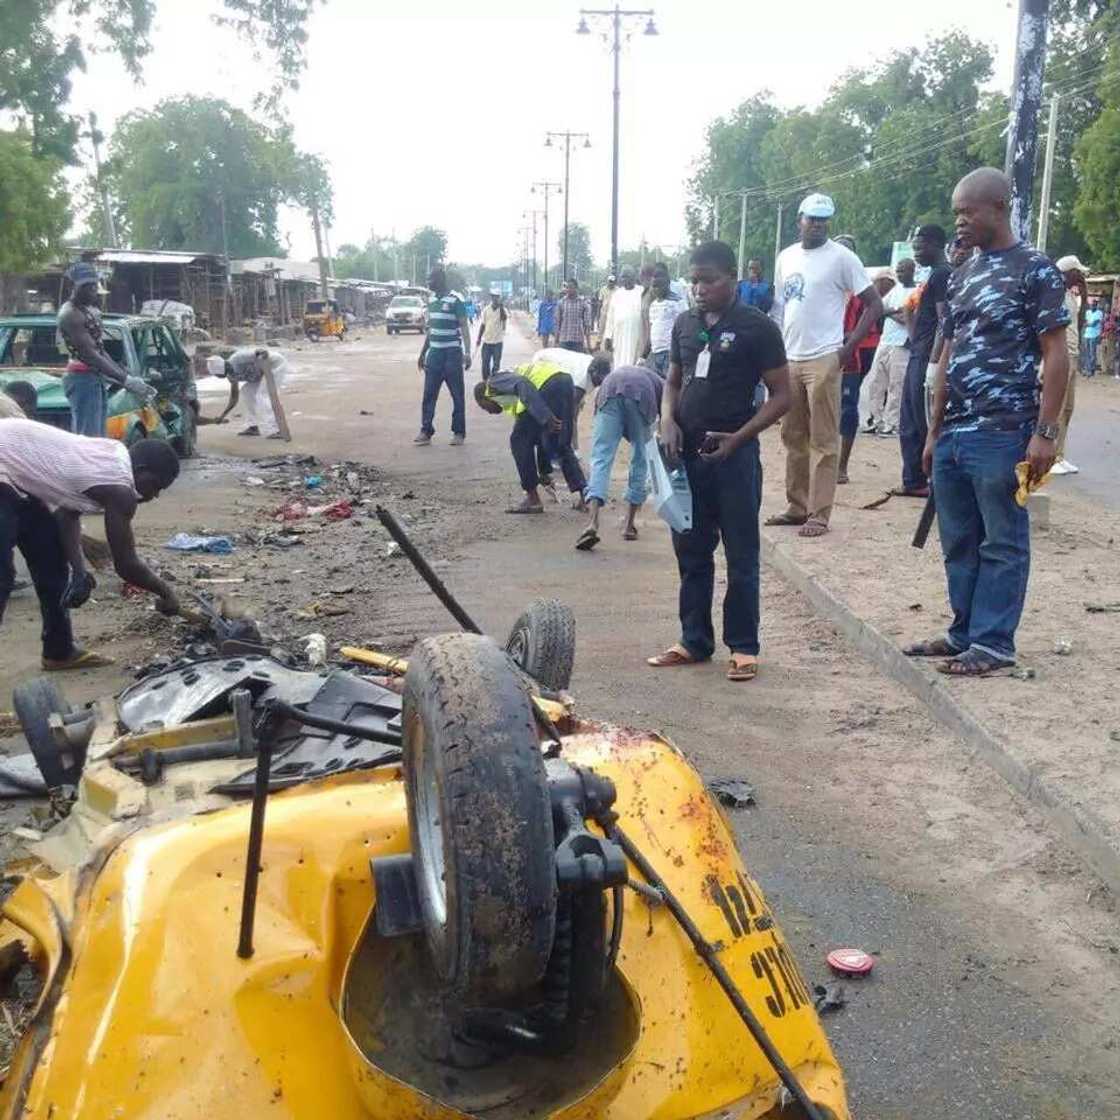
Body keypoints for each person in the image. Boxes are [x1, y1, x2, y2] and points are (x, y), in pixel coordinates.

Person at [907, 167, 1069, 677]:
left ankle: (994, 643)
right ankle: (964, 633)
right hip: (956, 428)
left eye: (967, 212)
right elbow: (949, 353)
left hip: (1005, 429)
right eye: (956, 212)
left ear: (998, 208)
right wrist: (934, 431)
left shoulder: (1035, 270)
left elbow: (1056, 352)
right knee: (958, 538)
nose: (959, 222)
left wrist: (1046, 433)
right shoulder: (962, 275)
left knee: (1002, 539)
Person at [649, 240, 791, 682]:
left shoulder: (758, 327)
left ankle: (744, 647)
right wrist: (667, 420)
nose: (699, 288)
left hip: (734, 456)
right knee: (691, 550)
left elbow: (783, 396)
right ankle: (694, 640)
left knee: (741, 552)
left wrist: (739, 438)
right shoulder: (685, 324)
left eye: (708, 280)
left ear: (732, 278)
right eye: (693, 279)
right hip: (686, 455)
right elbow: (672, 381)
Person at [0, 417, 182, 670]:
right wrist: (166, 593)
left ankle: (59, 651)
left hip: (17, 474)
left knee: (51, 561)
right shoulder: (120, 490)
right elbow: (126, 565)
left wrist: (79, 571)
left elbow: (67, 512)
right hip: (5, 465)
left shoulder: (115, 453)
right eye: (155, 485)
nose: (154, 495)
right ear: (139, 470)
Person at [767, 193, 881, 538]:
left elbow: (873, 305)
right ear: (799, 219)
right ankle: (796, 506)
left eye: (823, 219)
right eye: (811, 218)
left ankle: (819, 513)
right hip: (790, 357)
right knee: (792, 436)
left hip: (824, 357)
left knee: (823, 439)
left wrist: (847, 348)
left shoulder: (842, 258)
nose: (817, 224)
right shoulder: (785, 257)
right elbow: (780, 308)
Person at [473, 358, 587, 514]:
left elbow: (522, 384)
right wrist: (544, 472)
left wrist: (544, 415)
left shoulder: (493, 382)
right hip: (564, 381)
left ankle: (533, 499)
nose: (488, 412)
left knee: (518, 440)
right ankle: (585, 496)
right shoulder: (509, 395)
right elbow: (540, 439)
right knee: (559, 443)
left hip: (549, 384)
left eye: (483, 407)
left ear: (484, 397)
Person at [57, 261, 155, 437]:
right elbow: (91, 355)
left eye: (94, 286)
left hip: (93, 377)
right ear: (74, 287)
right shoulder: (70, 315)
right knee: (89, 439)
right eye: (87, 287)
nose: (93, 291)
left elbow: (100, 350)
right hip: (82, 379)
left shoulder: (87, 310)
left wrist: (125, 377)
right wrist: (125, 379)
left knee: (98, 436)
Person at [576, 363, 663, 551]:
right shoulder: (660, 384)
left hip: (609, 392)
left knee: (601, 457)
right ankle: (629, 525)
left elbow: (597, 412)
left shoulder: (620, 373)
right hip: (641, 395)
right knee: (641, 457)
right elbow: (666, 419)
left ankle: (592, 523)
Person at [894, 224, 951, 498]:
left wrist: (932, 361)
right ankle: (913, 479)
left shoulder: (942, 275)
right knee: (908, 419)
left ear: (936, 244)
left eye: (920, 246)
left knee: (920, 420)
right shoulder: (933, 275)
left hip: (927, 356)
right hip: (919, 351)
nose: (916, 252)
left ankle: (927, 480)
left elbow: (944, 321)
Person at [837, 252, 885, 485]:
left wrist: (852, 339)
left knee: (847, 408)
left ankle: (841, 466)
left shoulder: (861, 290)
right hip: (817, 354)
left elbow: (874, 312)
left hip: (849, 356)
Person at [415, 266, 472, 446]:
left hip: (452, 355)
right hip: (435, 355)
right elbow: (431, 330)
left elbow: (464, 327)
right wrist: (423, 353)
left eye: (430, 279)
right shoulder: (431, 301)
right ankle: (426, 430)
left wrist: (467, 352)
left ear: (440, 280)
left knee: (457, 395)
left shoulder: (455, 300)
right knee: (429, 394)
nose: (428, 283)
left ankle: (459, 432)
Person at [860, 259, 915, 437]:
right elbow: (880, 310)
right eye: (898, 271)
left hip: (903, 343)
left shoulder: (916, 292)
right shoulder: (895, 290)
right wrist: (897, 311)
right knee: (876, 382)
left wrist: (899, 313)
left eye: (902, 271)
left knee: (896, 385)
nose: (899, 274)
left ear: (912, 271)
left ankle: (892, 423)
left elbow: (909, 318)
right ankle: (874, 420)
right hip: (885, 341)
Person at [1051, 256, 1088, 476]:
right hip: (1062, 357)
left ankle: (1059, 455)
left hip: (1073, 355)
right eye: (1077, 272)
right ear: (1067, 272)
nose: (1081, 276)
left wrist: (1082, 294)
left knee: (1067, 409)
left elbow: (1078, 324)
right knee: (1056, 409)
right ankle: (1051, 456)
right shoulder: (1054, 295)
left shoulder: (1069, 296)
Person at [207, 347, 292, 438]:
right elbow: (234, 398)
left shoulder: (238, 358)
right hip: (261, 374)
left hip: (275, 365)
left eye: (217, 375)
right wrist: (222, 416)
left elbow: (260, 352)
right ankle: (253, 426)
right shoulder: (231, 375)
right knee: (246, 391)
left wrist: (261, 357)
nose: (218, 377)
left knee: (263, 394)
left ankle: (279, 429)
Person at [643, 266, 687, 377]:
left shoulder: (678, 303)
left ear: (667, 283)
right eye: (654, 286)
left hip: (670, 353)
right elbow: (651, 331)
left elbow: (685, 327)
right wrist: (643, 356)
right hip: (655, 353)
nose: (656, 289)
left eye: (659, 286)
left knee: (669, 385)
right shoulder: (653, 305)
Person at [604, 267, 644, 366]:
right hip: (619, 335)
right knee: (618, 361)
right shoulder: (617, 294)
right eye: (623, 277)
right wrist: (608, 336)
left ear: (634, 278)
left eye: (628, 277)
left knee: (634, 361)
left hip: (636, 334)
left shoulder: (642, 292)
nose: (625, 279)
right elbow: (610, 317)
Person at [475, 291, 507, 381]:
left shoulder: (502, 310)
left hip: (498, 342)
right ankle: (485, 382)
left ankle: (494, 382)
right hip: (487, 341)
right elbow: (483, 325)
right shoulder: (486, 310)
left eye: (497, 297)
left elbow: (504, 319)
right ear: (491, 298)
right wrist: (478, 338)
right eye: (493, 297)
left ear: (499, 298)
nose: (495, 299)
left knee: (496, 365)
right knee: (485, 363)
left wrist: (501, 307)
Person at [554, 279, 592, 353]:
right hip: (564, 340)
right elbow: (557, 323)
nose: (568, 289)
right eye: (567, 287)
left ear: (576, 288)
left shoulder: (583, 303)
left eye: (571, 287)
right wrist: (556, 341)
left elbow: (587, 325)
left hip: (578, 341)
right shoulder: (561, 303)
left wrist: (588, 345)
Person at [1081, 296, 1102, 376]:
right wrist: (1088, 324)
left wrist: (1088, 324)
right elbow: (1086, 322)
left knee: (1092, 353)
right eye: (1092, 304)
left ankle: (1091, 369)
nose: (1093, 306)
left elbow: (1094, 324)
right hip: (1087, 334)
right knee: (1086, 352)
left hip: (1094, 335)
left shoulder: (1099, 313)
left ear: (1096, 305)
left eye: (1094, 305)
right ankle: (1087, 369)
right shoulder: (1088, 312)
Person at [596, 274, 616, 343]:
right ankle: (598, 343)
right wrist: (598, 316)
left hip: (614, 314)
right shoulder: (603, 289)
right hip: (604, 313)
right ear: (607, 281)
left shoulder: (617, 290)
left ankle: (611, 344)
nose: (611, 283)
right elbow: (600, 303)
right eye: (610, 281)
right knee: (601, 328)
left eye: (612, 281)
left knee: (612, 330)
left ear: (614, 282)